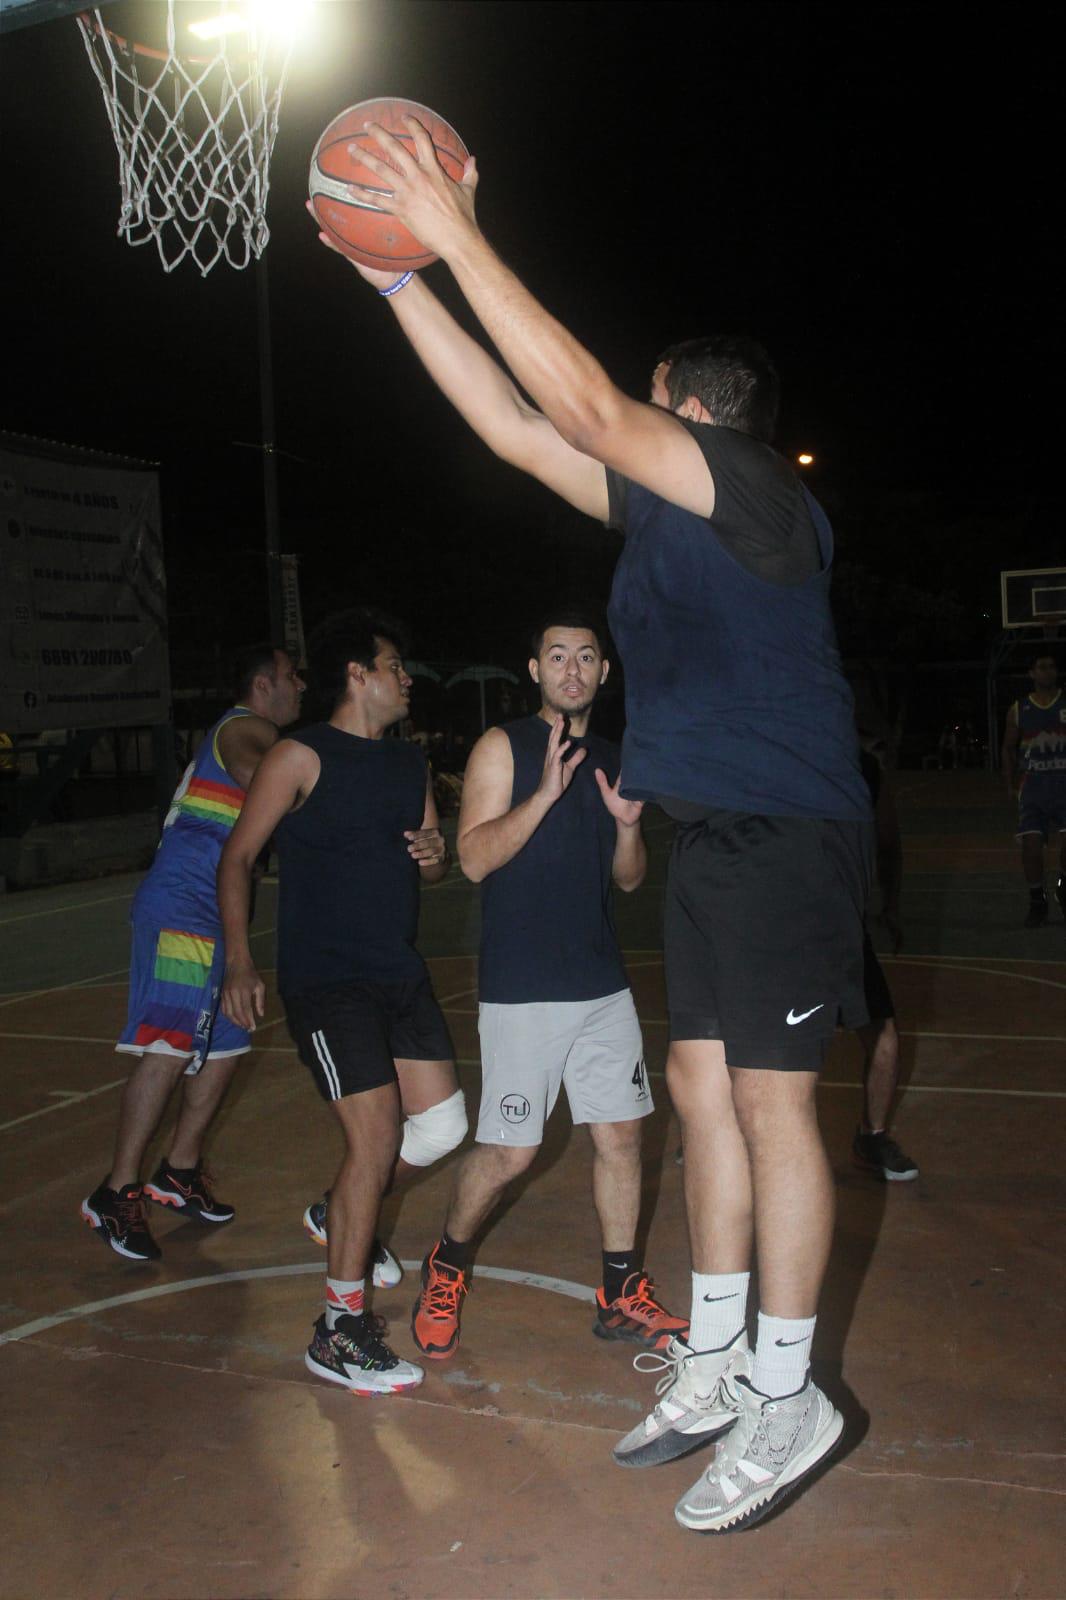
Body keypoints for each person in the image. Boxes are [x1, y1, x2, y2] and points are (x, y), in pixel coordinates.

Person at [308, 117, 875, 1531]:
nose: (625, 405)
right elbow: (512, 428)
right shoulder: (664, 517)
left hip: (786, 828)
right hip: (710, 838)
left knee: (766, 1106)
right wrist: (397, 286)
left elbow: (573, 403)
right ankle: (727, 1361)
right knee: (696, 1096)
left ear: (689, 404)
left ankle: (790, 1387)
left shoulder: (756, 496)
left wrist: (451, 230)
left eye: (647, 396)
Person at [408, 612, 687, 1364]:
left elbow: (628, 882)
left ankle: (621, 1290)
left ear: (604, 673)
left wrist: (628, 825)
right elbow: (470, 859)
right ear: (533, 670)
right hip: (523, 989)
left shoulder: (615, 756)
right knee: (510, 1153)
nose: (572, 668)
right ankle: (447, 1268)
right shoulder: (504, 746)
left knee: (623, 1135)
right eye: (557, 656)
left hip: (600, 984)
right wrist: (543, 795)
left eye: (586, 657)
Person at [218, 610, 466, 1397]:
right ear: (357, 674)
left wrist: (436, 854)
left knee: (446, 1126)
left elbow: (432, 868)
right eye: (395, 665)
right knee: (376, 1136)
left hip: (399, 973)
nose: (406, 679)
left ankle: (338, 1212)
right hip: (328, 981)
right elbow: (239, 859)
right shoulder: (298, 756)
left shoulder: (407, 768)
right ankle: (338, 1328)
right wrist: (239, 960)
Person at [81, 643, 305, 1262]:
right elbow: (260, 775)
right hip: (182, 908)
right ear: (263, 684)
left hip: (214, 913)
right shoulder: (243, 727)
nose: (301, 687)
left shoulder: (257, 731)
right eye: (293, 678)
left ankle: (177, 1172)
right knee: (168, 1045)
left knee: (230, 1040)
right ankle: (116, 1190)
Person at [851, 746, 918, 1181]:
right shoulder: (781, 749)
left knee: (883, 1030)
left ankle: (872, 1136)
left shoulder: (865, 766)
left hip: (842, 927)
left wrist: (889, 906)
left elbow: (889, 842)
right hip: (780, 924)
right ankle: (715, 1129)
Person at [1001, 652, 1066, 927]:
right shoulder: (1019, 708)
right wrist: (1009, 783)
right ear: (1031, 673)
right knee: (1031, 846)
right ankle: (1037, 900)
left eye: (1052, 666)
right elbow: (1008, 748)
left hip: (1063, 782)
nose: (1047, 671)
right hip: (1034, 785)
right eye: (1042, 666)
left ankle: (1063, 886)